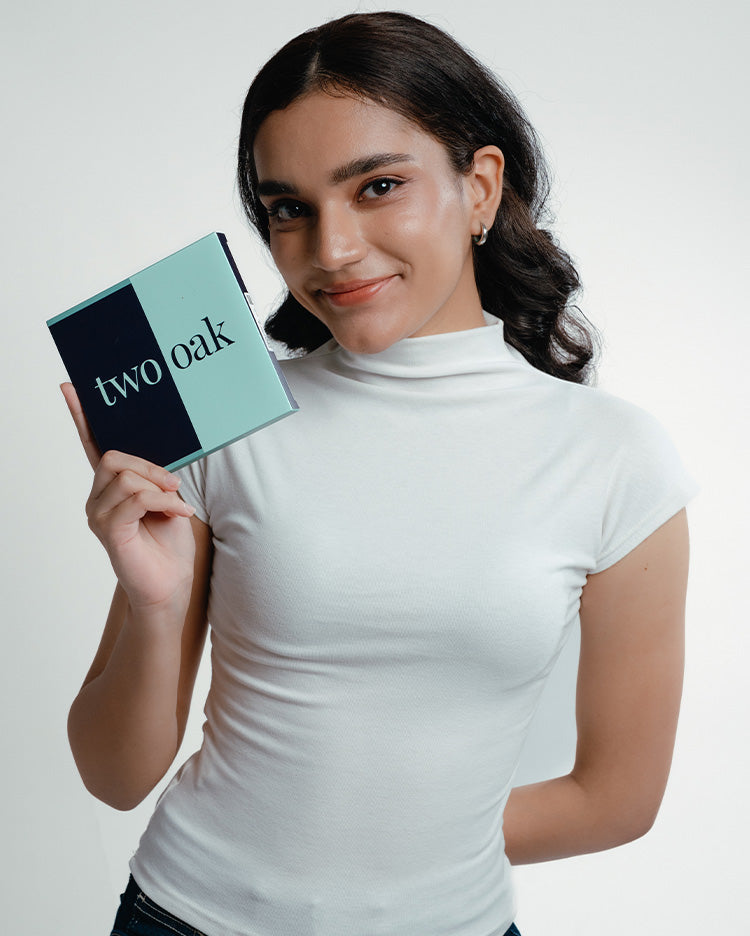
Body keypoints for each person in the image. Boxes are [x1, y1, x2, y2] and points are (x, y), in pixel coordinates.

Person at [62, 11, 698, 936]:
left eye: (379, 186)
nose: (333, 249)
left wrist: (401, 865)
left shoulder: (615, 459)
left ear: (480, 188)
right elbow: (113, 777)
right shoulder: (226, 422)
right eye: (289, 208)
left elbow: (618, 798)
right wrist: (154, 608)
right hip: (184, 917)